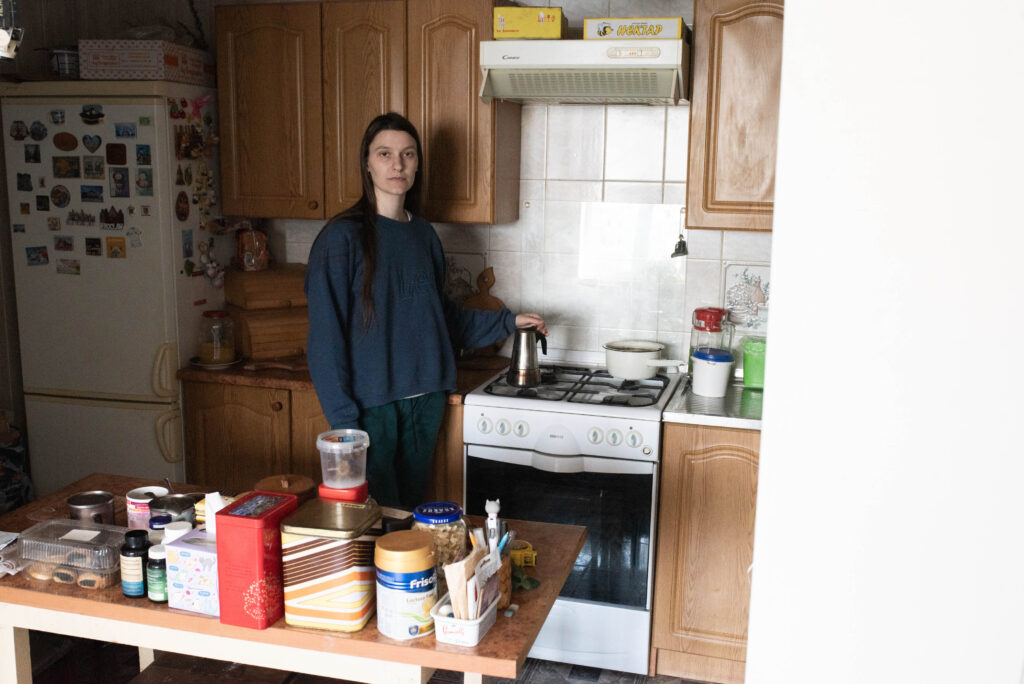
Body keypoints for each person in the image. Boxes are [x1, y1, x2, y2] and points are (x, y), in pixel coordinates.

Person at [305, 112, 546, 509]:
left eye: (408, 154)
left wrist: (510, 321)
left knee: (408, 519)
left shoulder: (423, 235)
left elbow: (442, 320)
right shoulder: (341, 239)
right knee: (378, 521)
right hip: (371, 408)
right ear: (367, 163)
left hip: (426, 400)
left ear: (417, 164)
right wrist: (345, 422)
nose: (397, 165)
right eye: (384, 154)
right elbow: (325, 341)